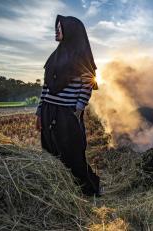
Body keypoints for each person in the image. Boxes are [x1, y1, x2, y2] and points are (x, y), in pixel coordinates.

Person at [35, 14, 100, 196]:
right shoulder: (54, 57)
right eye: (56, 27)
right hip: (49, 110)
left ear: (71, 30)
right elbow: (46, 87)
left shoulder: (82, 58)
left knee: (72, 153)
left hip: (67, 113)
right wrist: (40, 112)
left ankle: (86, 189)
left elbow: (88, 86)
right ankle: (61, 190)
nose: (56, 31)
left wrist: (78, 109)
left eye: (59, 27)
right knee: (51, 150)